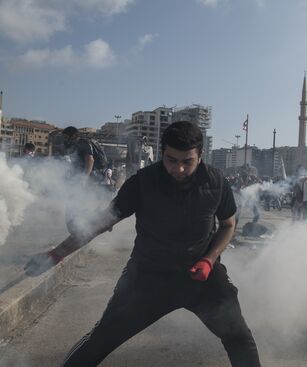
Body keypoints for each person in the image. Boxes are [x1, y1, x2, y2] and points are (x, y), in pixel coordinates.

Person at [25, 121, 261, 367]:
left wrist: (208, 260)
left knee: (240, 338)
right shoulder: (143, 182)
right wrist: (55, 255)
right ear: (162, 153)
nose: (178, 169)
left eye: (187, 161)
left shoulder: (215, 182)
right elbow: (99, 223)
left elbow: (228, 225)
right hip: (148, 278)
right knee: (100, 340)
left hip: (201, 278)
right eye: (171, 160)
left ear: (200, 156)